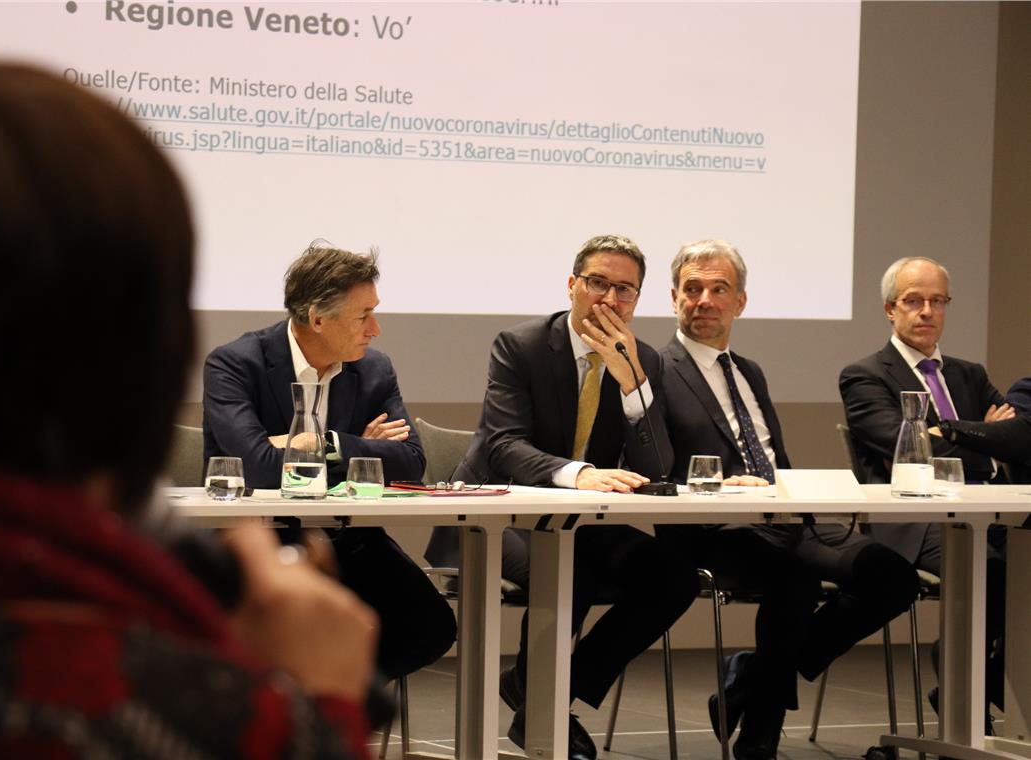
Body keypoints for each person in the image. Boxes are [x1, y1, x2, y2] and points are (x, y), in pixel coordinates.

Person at [0, 63, 376, 758]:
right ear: (147, 356)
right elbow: (256, 459)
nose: (373, 331)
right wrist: (319, 710)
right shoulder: (172, 710)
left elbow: (406, 454)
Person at [426, 234, 698, 760]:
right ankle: (540, 703)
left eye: (625, 290)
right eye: (598, 283)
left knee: (673, 576)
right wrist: (578, 474)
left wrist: (632, 385)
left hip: (576, 522)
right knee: (569, 565)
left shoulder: (643, 360)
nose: (610, 299)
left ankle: (545, 700)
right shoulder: (521, 345)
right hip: (493, 513)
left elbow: (657, 469)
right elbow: (503, 445)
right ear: (572, 285)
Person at [658, 241, 919, 760]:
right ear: (674, 298)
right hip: (715, 529)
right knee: (793, 579)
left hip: (789, 516)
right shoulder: (657, 370)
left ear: (740, 302)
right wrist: (721, 485)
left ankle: (752, 676)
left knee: (894, 578)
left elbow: (774, 457)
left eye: (719, 289)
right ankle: (760, 737)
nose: (705, 300)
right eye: (693, 288)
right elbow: (653, 463)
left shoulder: (748, 370)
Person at [202, 244, 457, 681]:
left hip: (348, 538)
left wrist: (327, 442)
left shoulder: (374, 369)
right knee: (270, 634)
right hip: (260, 542)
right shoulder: (235, 364)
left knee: (429, 627)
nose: (375, 329)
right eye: (363, 316)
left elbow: (410, 463)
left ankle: (327, 703)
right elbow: (257, 467)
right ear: (318, 318)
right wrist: (362, 449)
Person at [839, 255, 1012, 721]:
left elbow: (1014, 436)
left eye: (938, 301)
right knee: (992, 569)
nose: (927, 311)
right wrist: (981, 439)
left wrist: (948, 433)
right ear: (889, 309)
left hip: (986, 509)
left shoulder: (970, 374)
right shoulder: (866, 375)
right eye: (914, 301)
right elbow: (905, 449)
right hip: (915, 520)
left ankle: (976, 677)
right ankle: (965, 679)